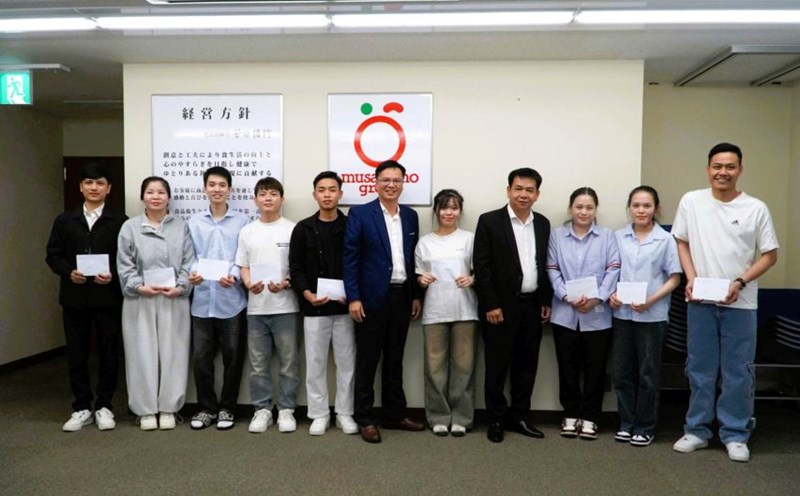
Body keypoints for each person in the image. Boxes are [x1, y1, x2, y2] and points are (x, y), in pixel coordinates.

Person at [671, 143, 778, 463]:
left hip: (740, 303)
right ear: (708, 169)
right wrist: (690, 278)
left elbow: (770, 255)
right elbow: (682, 241)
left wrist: (740, 282)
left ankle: (735, 433)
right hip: (700, 300)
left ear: (740, 170)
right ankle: (698, 430)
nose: (723, 172)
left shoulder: (755, 208)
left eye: (730, 167)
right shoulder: (692, 201)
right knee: (700, 368)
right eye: (717, 166)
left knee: (738, 371)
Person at [343, 160, 424, 444]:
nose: (391, 184)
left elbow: (414, 258)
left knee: (395, 358)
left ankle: (394, 413)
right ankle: (365, 418)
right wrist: (353, 297)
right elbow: (350, 258)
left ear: (404, 183)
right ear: (375, 182)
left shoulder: (411, 216)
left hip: (401, 297)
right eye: (386, 179)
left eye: (397, 180)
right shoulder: (361, 213)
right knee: (367, 360)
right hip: (370, 299)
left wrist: (415, 294)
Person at [46, 163, 127, 432]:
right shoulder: (65, 220)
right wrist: (68, 272)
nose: (94, 188)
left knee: (108, 353)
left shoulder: (119, 221)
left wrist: (113, 274)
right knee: (77, 354)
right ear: (80, 186)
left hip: (108, 298)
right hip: (74, 297)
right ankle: (81, 407)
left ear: (109, 188)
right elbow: (53, 254)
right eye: (89, 183)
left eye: (100, 183)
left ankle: (105, 406)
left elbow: (127, 259)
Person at [473, 168, 552, 443]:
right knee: (496, 365)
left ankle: (519, 416)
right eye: (518, 188)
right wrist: (491, 304)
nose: (523, 194)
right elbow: (481, 268)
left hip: (532, 306)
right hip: (499, 309)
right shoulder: (489, 221)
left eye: (530, 190)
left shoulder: (542, 223)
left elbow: (543, 264)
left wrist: (545, 300)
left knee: (526, 365)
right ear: (508, 190)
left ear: (537, 194)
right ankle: (495, 418)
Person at [117, 176, 194, 431]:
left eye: (161, 192)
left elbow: (189, 262)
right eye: (150, 192)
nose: (156, 196)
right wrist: (138, 286)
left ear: (168, 197)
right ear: (143, 197)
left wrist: (181, 287)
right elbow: (124, 264)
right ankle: (145, 409)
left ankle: (169, 407)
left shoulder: (181, 226)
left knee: (174, 353)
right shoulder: (130, 227)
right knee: (141, 353)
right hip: (141, 299)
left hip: (173, 298)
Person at [608, 186, 681, 447]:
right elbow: (610, 273)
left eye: (646, 205)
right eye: (636, 205)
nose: (641, 210)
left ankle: (645, 426)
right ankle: (627, 423)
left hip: (653, 316)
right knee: (621, 372)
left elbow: (674, 278)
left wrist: (651, 300)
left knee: (648, 373)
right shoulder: (617, 237)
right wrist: (611, 295)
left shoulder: (666, 240)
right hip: (622, 314)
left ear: (656, 209)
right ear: (629, 208)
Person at [547, 187, 620, 440]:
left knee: (595, 369)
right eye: (579, 207)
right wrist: (566, 296)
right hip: (564, 313)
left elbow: (614, 269)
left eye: (589, 207)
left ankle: (590, 417)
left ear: (595, 210)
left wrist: (597, 296)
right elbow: (552, 269)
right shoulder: (557, 235)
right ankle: (570, 414)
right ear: (571, 209)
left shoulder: (607, 236)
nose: (584, 212)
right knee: (567, 368)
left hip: (598, 314)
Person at [289, 171, 358, 436]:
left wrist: (352, 294)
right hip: (313, 307)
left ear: (340, 194)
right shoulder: (303, 228)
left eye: (332, 189)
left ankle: (344, 413)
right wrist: (306, 293)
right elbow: (295, 267)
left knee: (347, 363)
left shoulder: (352, 225)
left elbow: (359, 263)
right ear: (314, 194)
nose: (327, 194)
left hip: (345, 308)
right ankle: (318, 414)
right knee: (315, 363)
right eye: (322, 189)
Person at [235, 177, 300, 434]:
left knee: (288, 362)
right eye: (263, 194)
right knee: (258, 364)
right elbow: (243, 264)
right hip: (256, 308)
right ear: (256, 200)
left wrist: (285, 283)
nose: (268, 198)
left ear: (282, 199)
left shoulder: (292, 229)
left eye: (274, 193)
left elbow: (298, 267)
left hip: (286, 306)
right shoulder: (247, 231)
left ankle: (286, 409)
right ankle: (262, 410)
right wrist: (249, 282)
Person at [186, 166, 249, 430]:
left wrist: (233, 275)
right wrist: (194, 273)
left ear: (230, 190)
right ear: (205, 188)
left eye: (222, 185)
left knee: (233, 358)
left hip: (231, 299)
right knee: (201, 359)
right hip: (201, 300)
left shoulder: (242, 221)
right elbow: (190, 256)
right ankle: (206, 408)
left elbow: (242, 257)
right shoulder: (194, 221)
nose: (217, 189)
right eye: (212, 185)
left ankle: (227, 408)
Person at [415, 189, 479, 437]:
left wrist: (472, 279)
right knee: (434, 367)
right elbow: (418, 277)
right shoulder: (425, 242)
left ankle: (462, 417)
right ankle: (439, 416)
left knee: (464, 366)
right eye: (444, 207)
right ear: (436, 211)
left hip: (465, 310)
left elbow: (480, 271)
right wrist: (422, 280)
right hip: (434, 311)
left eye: (454, 208)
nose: (448, 212)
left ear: (460, 211)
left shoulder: (469, 239)